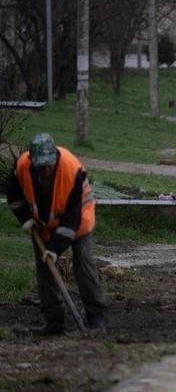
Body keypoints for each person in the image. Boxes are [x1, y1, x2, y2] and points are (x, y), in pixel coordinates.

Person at [5, 133, 106, 335]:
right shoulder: (23, 166)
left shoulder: (71, 170)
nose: (46, 170)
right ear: (33, 161)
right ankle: (54, 321)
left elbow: (71, 220)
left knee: (83, 263)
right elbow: (14, 194)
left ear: (55, 157)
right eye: (41, 166)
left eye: (49, 165)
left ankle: (96, 319)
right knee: (45, 268)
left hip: (78, 219)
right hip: (42, 222)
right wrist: (26, 218)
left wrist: (55, 249)